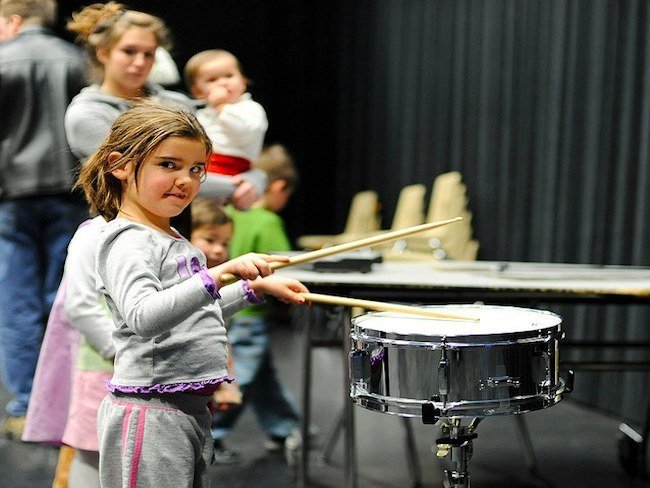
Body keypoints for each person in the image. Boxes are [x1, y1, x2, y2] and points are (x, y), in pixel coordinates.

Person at [75, 100, 309, 488]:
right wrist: (221, 273)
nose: (186, 179)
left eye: (196, 169)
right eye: (168, 164)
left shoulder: (171, 238)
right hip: (151, 412)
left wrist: (251, 288)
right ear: (120, 165)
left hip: (188, 409)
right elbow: (144, 316)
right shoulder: (128, 240)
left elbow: (195, 312)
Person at [64, 2, 263, 215]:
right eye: (129, 51)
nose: (139, 62)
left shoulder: (178, 103)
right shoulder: (87, 113)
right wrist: (236, 187)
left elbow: (219, 154)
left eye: (149, 54)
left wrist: (256, 178)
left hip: (187, 225)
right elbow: (143, 176)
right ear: (103, 52)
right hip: (125, 223)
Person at [0, 0, 88, 438]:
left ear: (13, 20)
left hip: (13, 197)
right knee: (67, 301)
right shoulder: (78, 60)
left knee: (17, 303)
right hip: (70, 193)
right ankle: (65, 406)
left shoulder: (3, 59)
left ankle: (23, 406)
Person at [211, 144, 303, 463]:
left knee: (262, 375)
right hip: (250, 311)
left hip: (226, 306)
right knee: (241, 378)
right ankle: (211, 434)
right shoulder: (267, 221)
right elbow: (283, 266)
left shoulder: (231, 213)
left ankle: (283, 426)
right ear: (278, 188)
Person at [22, 215, 113, 488]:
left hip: (134, 374)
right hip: (100, 370)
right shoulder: (94, 234)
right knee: (88, 452)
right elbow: (79, 307)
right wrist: (127, 352)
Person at [184, 49, 268, 205]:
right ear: (197, 91)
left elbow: (248, 132)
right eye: (212, 79)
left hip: (231, 171)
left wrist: (222, 108)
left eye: (229, 76)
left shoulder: (250, 108)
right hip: (200, 168)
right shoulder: (201, 114)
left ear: (243, 82)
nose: (222, 83)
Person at [189, 199, 243, 413]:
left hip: (208, 380)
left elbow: (220, 339)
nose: (219, 250)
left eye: (225, 243)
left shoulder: (221, 282)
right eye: (210, 240)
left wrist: (227, 385)